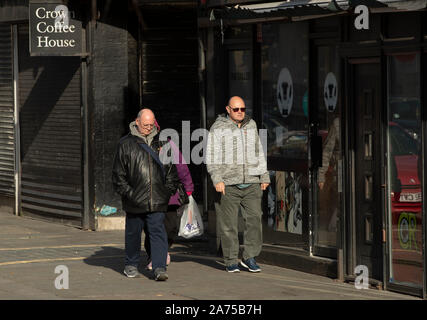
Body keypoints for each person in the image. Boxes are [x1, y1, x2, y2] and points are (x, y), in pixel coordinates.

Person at [112, 108, 180, 281]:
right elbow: (118, 176)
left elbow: (172, 172)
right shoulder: (125, 144)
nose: (149, 128)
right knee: (133, 234)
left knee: (158, 233)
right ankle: (131, 265)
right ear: (137, 122)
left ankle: (159, 268)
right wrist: (130, 194)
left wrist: (166, 192)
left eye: (151, 125)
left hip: (157, 199)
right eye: (145, 125)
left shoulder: (163, 143)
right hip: (134, 200)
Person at [206, 96, 270, 273]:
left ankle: (249, 257)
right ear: (228, 110)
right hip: (228, 185)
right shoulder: (218, 128)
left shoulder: (251, 125)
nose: (240, 112)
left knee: (255, 220)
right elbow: (211, 156)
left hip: (252, 183)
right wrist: (217, 179)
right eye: (236, 109)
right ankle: (231, 259)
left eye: (243, 109)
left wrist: (264, 176)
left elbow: (258, 151)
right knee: (229, 225)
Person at [144, 119, 194, 270]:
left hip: (169, 195)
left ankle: (163, 250)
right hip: (148, 195)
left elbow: (181, 166)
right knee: (152, 227)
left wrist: (188, 187)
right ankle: (155, 256)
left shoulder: (168, 144)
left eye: (152, 126)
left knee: (171, 226)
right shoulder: (138, 145)